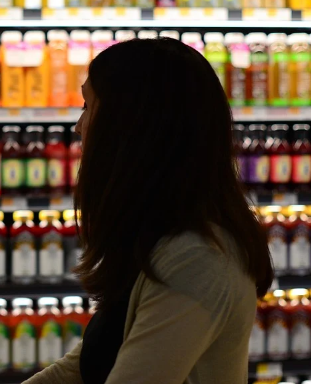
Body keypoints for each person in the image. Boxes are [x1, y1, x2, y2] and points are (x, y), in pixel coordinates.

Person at [23, 37, 273, 384]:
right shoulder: (158, 238)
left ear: (131, 127)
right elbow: (79, 370)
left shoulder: (198, 260)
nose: (79, 126)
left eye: (87, 106)